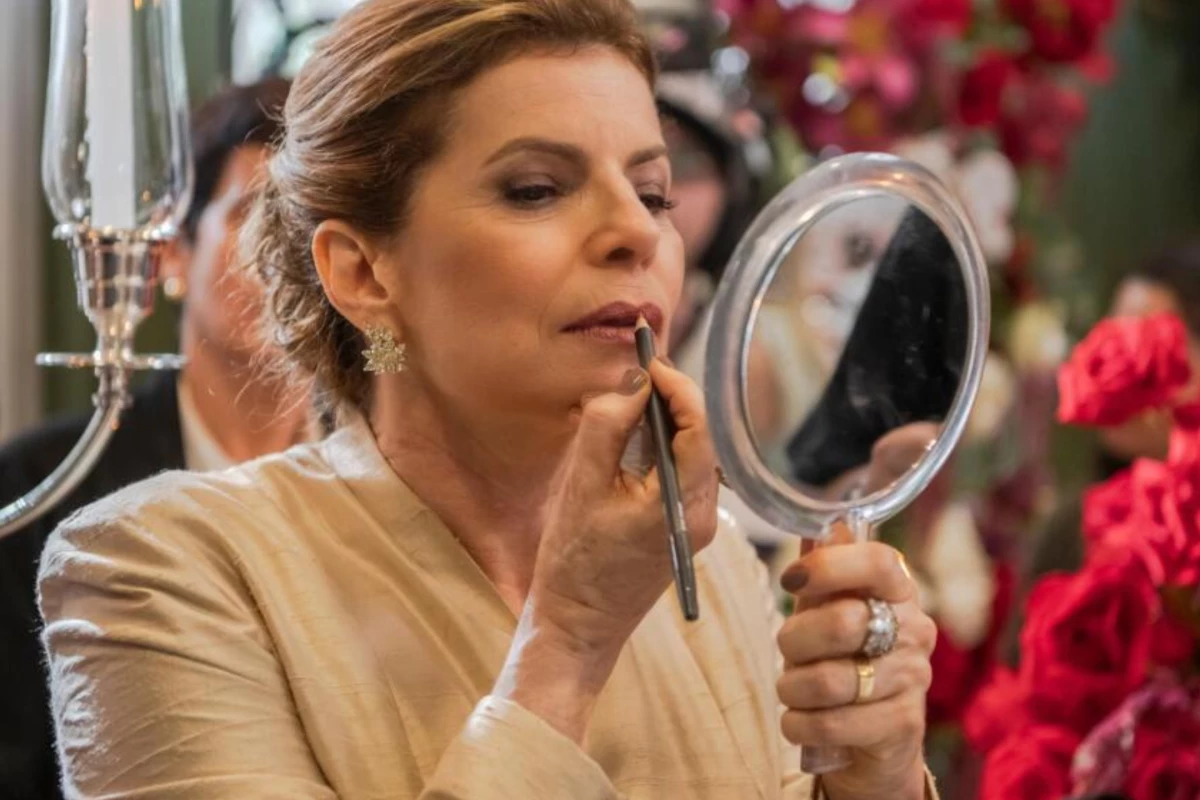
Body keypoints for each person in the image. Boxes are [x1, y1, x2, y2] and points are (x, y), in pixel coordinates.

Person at [38, 2, 938, 798]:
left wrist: (875, 781)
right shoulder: (157, 570)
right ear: (362, 272)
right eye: (536, 189)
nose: (635, 231)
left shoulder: (716, 565)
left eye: (652, 191)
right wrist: (569, 644)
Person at [0, 78, 308, 800]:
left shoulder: (383, 479)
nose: (282, 254)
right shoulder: (42, 486)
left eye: (307, 220)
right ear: (172, 256)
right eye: (252, 216)